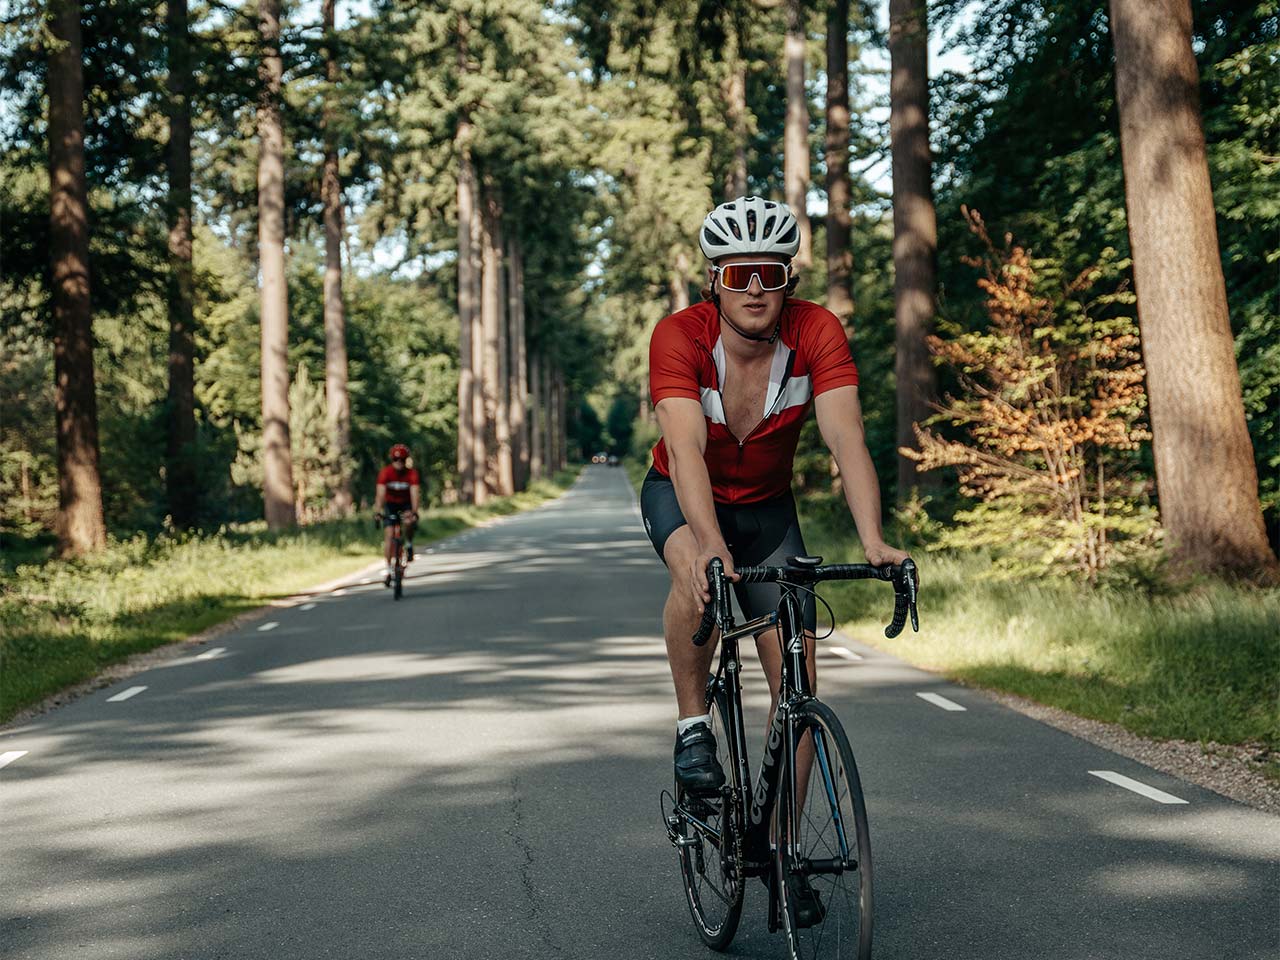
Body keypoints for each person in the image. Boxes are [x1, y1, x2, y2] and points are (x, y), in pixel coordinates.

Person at [641, 196, 910, 916]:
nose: (754, 288)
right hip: (680, 493)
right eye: (737, 276)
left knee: (798, 680)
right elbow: (688, 449)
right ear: (714, 283)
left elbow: (846, 438)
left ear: (788, 279)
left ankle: (784, 856)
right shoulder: (680, 337)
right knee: (694, 577)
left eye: (768, 273)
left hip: (767, 509)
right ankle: (693, 726)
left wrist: (874, 541)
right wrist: (710, 546)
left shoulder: (816, 330)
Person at [374, 443, 420, 586]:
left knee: (408, 522)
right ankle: (389, 569)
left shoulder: (411, 474)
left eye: (402, 460)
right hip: (390, 505)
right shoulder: (386, 473)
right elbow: (380, 494)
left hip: (406, 503)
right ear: (392, 460)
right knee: (389, 536)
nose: (398, 463)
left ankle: (409, 543)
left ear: (406, 461)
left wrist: (414, 512)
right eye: (396, 460)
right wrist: (378, 512)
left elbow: (415, 494)